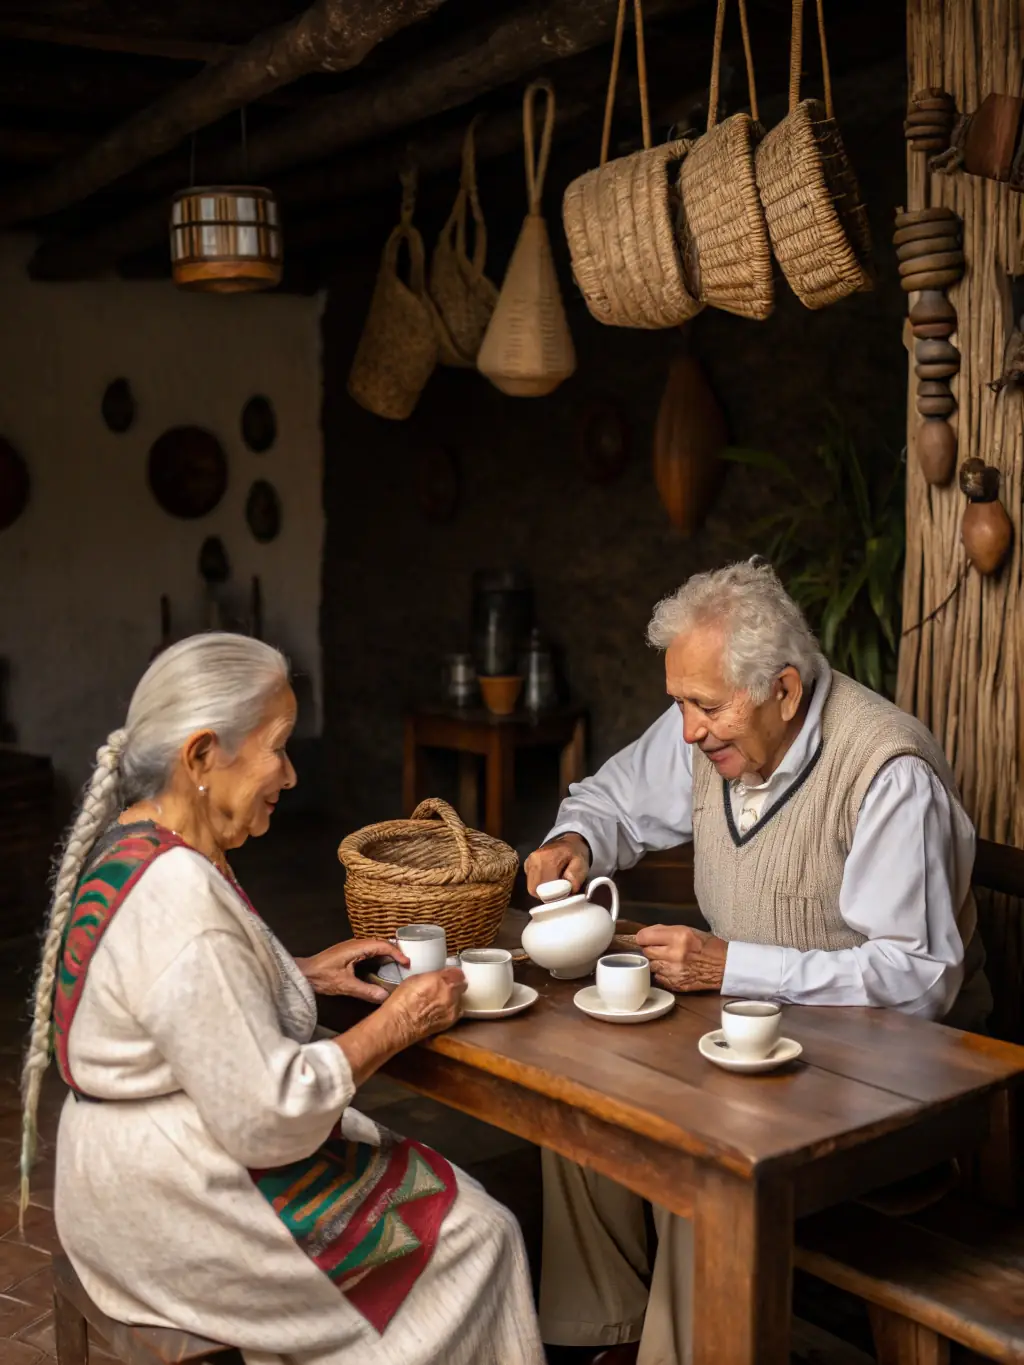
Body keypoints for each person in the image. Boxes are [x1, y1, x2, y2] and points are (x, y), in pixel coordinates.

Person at [20, 633, 544, 1365]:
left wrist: (298, 972)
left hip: (113, 1183)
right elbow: (270, 1118)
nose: (292, 775)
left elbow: (177, 994)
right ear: (202, 755)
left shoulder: (133, 842)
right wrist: (398, 1021)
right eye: (280, 747)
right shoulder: (180, 897)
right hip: (176, 1207)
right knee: (477, 1235)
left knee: (426, 1188)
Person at [526, 559, 989, 1365]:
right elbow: (610, 798)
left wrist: (730, 965)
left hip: (892, 1078)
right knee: (575, 1096)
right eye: (680, 702)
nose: (688, 731)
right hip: (752, 1038)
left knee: (693, 1153)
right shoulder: (712, 738)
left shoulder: (886, 773)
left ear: (784, 689)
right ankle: (608, 1335)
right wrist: (577, 839)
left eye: (704, 706)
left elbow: (918, 982)